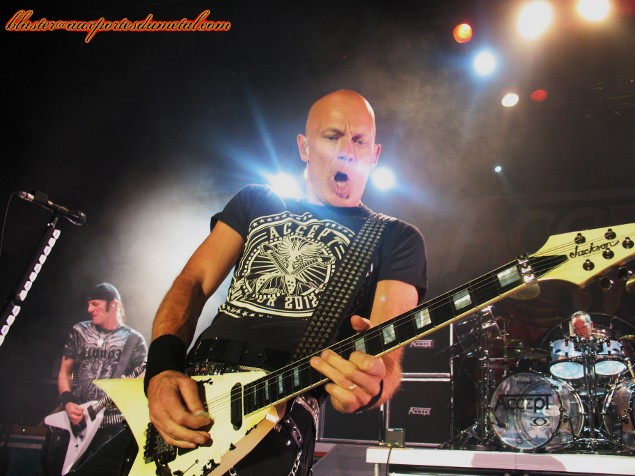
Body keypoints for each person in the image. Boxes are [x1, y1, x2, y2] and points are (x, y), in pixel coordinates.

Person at [144, 89, 428, 475]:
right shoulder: (256, 200)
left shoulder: (396, 237)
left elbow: (387, 354)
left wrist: (374, 385)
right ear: (304, 148)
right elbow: (192, 283)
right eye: (332, 136)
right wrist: (161, 370)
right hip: (191, 387)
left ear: (374, 155)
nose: (348, 151)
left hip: (281, 408)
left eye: (359, 140)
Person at [44, 283, 147, 475]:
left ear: (113, 305)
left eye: (95, 304)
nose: (90, 309)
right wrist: (68, 403)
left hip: (112, 424)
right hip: (78, 420)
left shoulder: (135, 340)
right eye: (88, 304)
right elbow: (64, 372)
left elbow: (142, 381)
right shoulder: (79, 331)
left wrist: (130, 387)